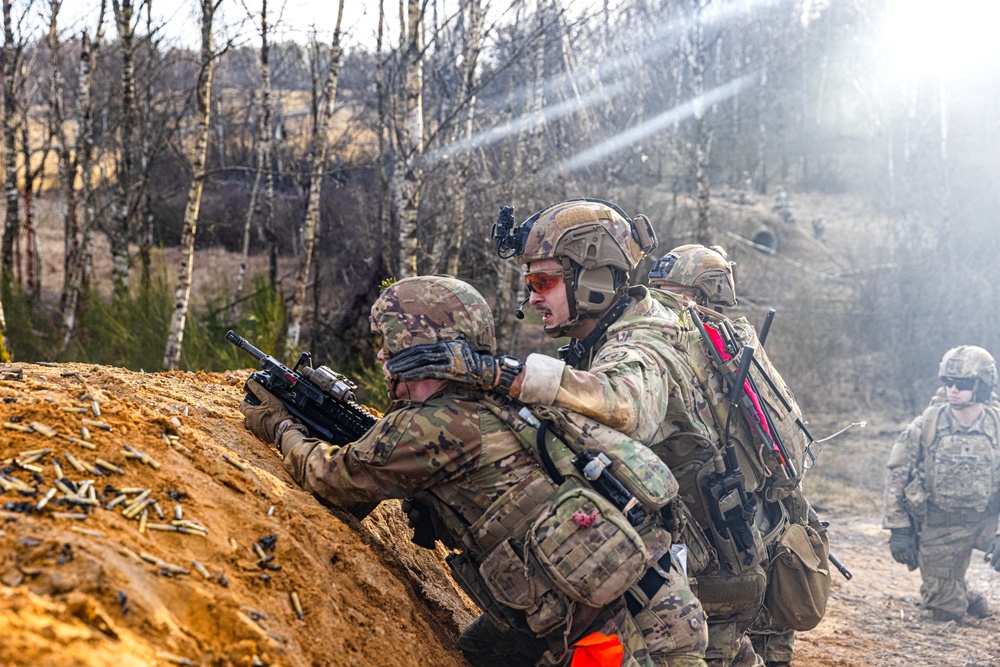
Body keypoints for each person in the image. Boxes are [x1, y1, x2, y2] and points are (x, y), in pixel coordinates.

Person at [239, 275, 708, 667]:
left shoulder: (436, 425)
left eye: (390, 343)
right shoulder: (496, 399)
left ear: (415, 345)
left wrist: (281, 426)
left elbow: (329, 476)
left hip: (625, 637)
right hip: (654, 601)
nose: (382, 356)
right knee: (479, 650)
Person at [387, 201, 752, 666]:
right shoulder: (643, 321)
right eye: (529, 284)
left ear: (596, 278)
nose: (532, 298)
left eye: (544, 282)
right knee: (488, 647)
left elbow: (627, 406)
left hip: (694, 573)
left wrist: (504, 375)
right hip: (671, 549)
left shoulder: (641, 343)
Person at [883, 345, 1000, 622]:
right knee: (945, 611)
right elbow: (897, 477)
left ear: (982, 386)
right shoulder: (925, 426)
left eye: (962, 383)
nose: (953, 390)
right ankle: (962, 594)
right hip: (941, 526)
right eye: (947, 383)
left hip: (988, 521)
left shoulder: (996, 427)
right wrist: (899, 528)